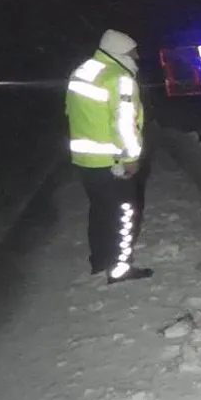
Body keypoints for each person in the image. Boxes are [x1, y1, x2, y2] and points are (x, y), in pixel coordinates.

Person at [66, 29, 154, 284]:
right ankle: (119, 269)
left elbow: (71, 112)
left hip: (86, 160)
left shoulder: (82, 72)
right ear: (122, 51)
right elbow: (124, 123)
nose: (137, 57)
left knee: (100, 211)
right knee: (125, 213)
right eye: (133, 51)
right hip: (112, 162)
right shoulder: (119, 78)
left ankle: (100, 260)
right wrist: (128, 158)